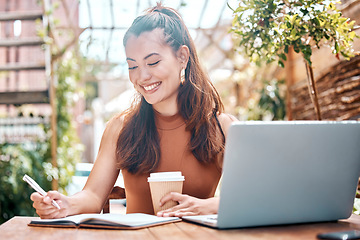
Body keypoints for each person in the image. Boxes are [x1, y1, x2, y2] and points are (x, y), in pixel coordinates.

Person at [30, 3, 237, 219]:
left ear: (182, 57)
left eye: (153, 62)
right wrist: (66, 204)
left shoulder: (222, 128)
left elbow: (252, 197)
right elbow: (92, 195)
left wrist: (207, 207)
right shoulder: (121, 128)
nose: (142, 76)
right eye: (132, 66)